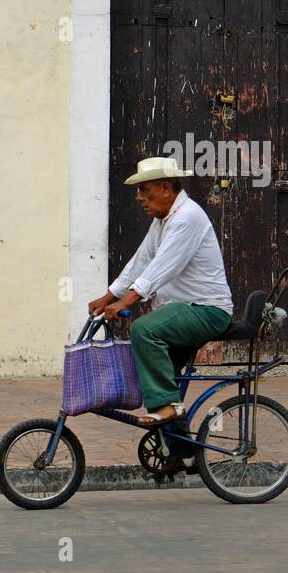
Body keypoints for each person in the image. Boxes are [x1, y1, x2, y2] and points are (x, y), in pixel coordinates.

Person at [87, 156, 233, 427]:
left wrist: (126, 301)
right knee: (163, 378)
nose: (140, 198)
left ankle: (168, 406)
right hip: (182, 311)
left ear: (166, 188)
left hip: (206, 311)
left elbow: (159, 270)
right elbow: (141, 261)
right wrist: (109, 295)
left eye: (146, 190)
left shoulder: (186, 218)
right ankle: (180, 453)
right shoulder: (164, 220)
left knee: (145, 330)